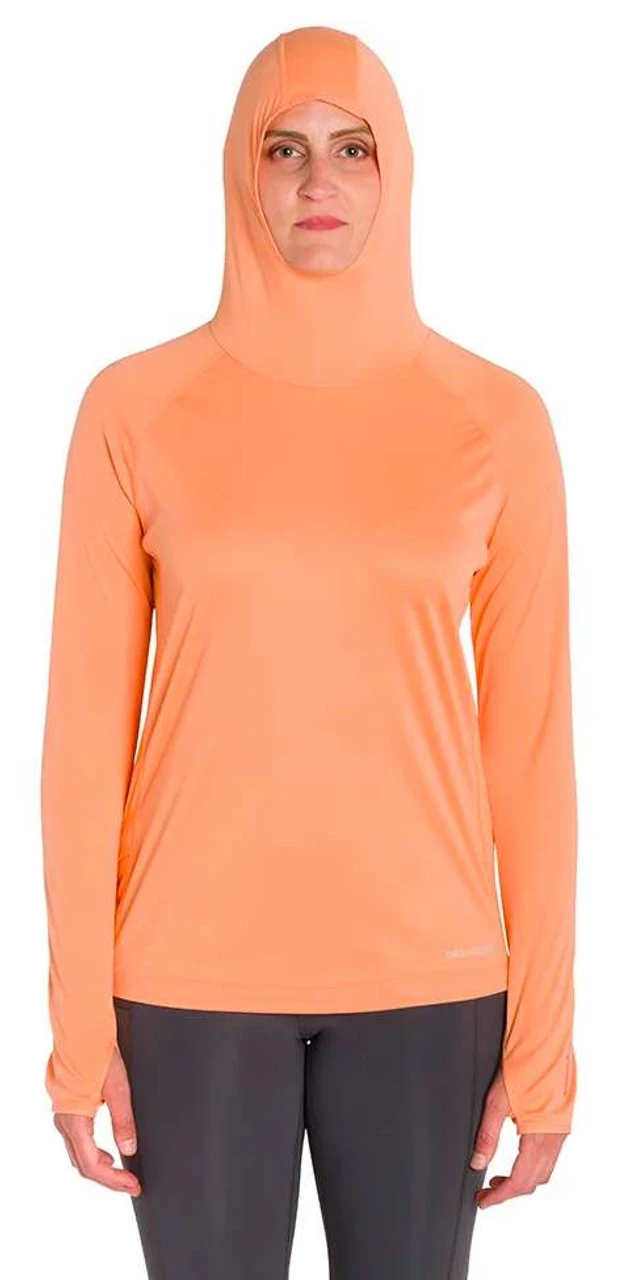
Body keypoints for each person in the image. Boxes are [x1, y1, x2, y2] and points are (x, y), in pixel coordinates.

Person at [40, 24, 578, 1279]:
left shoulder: (493, 419)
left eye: (353, 148)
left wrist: (543, 1046)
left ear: (399, 172)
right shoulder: (134, 408)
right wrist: (78, 1028)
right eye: (283, 149)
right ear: (242, 168)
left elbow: (531, 749)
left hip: (429, 980)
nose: (317, 181)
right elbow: (82, 742)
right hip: (187, 982)